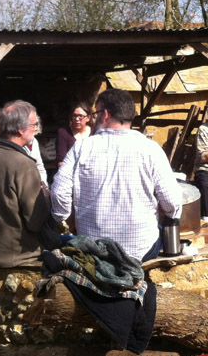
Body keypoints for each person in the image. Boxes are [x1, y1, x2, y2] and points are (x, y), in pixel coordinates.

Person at [50, 89, 182, 262]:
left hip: (94, 251)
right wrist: (165, 212)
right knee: (156, 230)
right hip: (140, 252)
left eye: (96, 113)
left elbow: (59, 193)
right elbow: (172, 202)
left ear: (105, 115)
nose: (95, 118)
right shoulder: (150, 149)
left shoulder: (82, 147)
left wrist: (69, 218)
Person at [0, 100, 60, 267]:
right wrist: (46, 198)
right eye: (34, 125)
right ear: (20, 129)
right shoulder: (24, 164)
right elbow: (35, 221)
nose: (36, 129)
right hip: (17, 254)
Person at [56, 101, 93, 166]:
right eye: (74, 116)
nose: (77, 119)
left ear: (88, 118)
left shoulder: (95, 132)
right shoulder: (63, 132)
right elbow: (60, 161)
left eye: (81, 116)